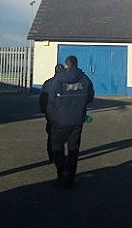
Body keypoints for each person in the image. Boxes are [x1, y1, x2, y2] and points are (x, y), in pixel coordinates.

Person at [47, 55, 94, 188]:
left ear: (66, 65)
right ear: (76, 64)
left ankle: (62, 174)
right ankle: (70, 178)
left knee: (57, 148)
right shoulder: (85, 79)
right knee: (73, 150)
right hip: (77, 120)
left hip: (60, 120)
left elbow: (51, 100)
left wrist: (53, 115)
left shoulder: (58, 79)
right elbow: (90, 97)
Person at [39, 64, 64, 163]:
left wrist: (43, 111)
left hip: (50, 114)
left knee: (51, 135)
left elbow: (43, 99)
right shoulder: (65, 84)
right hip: (62, 114)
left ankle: (51, 156)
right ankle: (59, 155)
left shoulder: (47, 83)